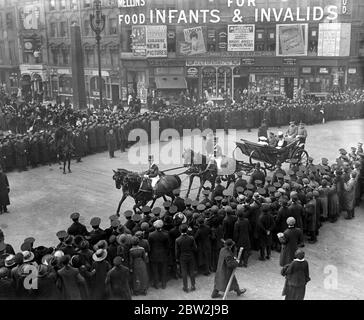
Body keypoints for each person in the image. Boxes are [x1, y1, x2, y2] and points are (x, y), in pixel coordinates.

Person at [175, 224, 197, 293]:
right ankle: (193, 285)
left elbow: (177, 251)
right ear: (187, 230)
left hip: (182, 257)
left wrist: (177, 258)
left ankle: (185, 287)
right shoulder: (191, 238)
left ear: (180, 230)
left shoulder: (177, 240)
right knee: (191, 271)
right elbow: (195, 248)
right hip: (191, 256)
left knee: (184, 272)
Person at [148, 220, 169, 289]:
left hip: (154, 254)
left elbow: (149, 246)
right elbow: (167, 246)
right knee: (163, 269)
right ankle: (164, 284)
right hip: (163, 254)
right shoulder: (165, 235)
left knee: (155, 270)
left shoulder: (151, 235)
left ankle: (156, 284)